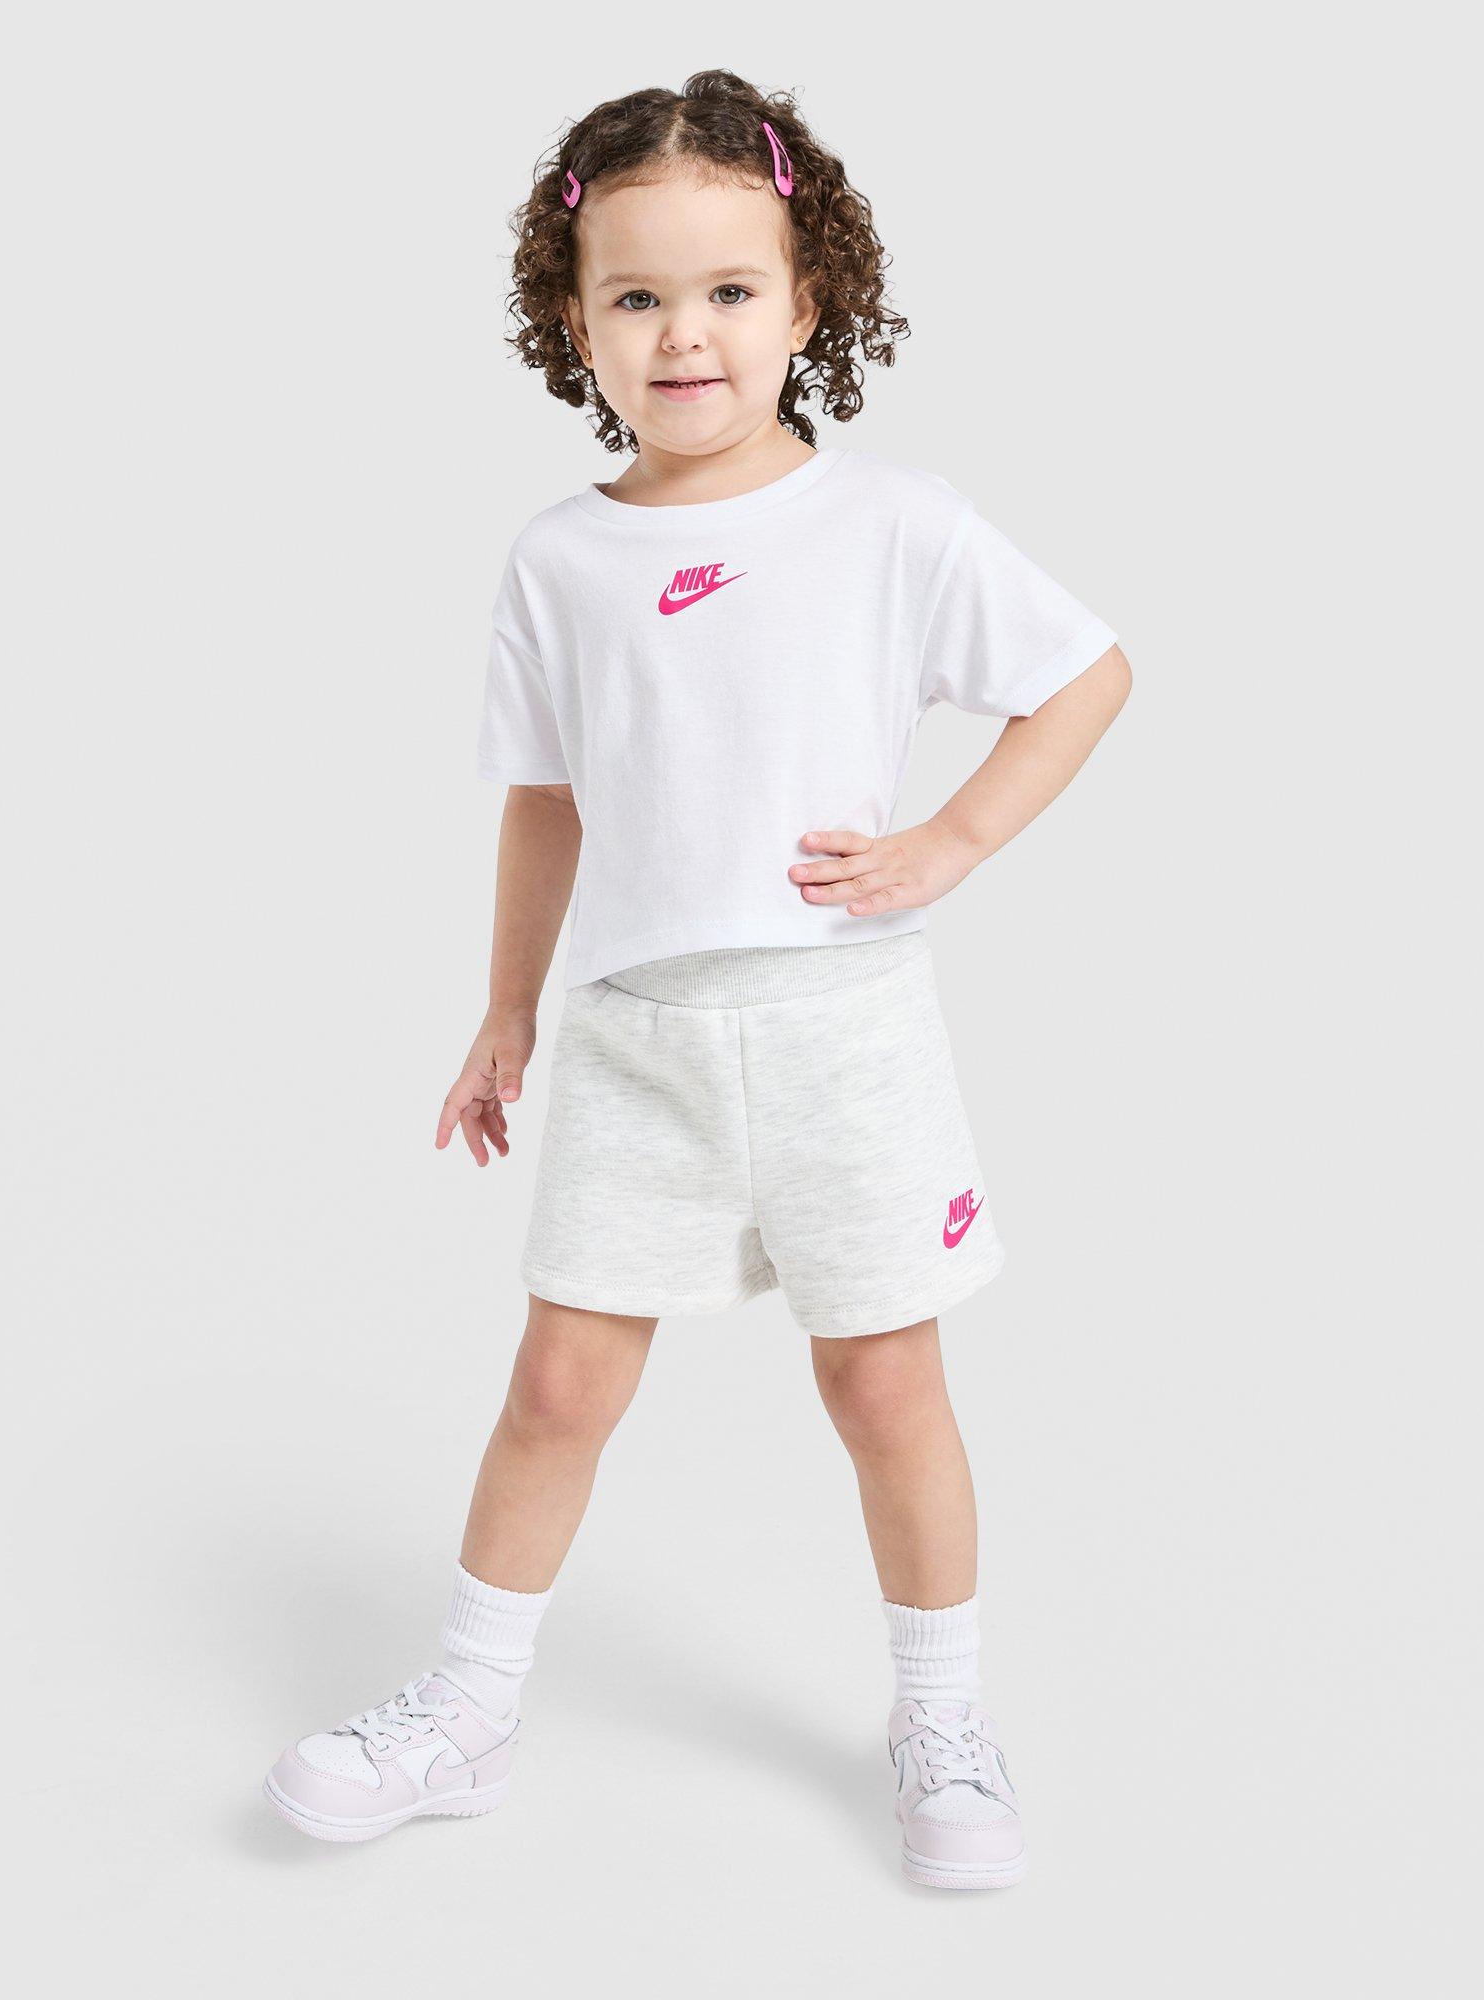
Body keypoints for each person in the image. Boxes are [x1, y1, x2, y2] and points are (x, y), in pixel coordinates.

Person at [264, 69, 1131, 1889]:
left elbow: (1083, 675)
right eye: (638, 296)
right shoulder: (560, 560)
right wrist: (506, 1013)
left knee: (884, 1387)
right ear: (572, 323)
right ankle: (467, 1708)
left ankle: (942, 1719)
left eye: (730, 290)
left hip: (843, 1035)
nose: (685, 334)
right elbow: (548, 802)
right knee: (560, 1386)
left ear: (809, 302)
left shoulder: (891, 523)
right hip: (637, 1043)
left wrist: (950, 843)